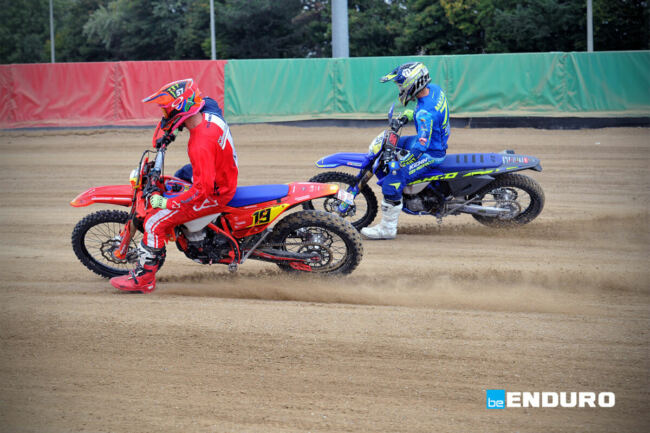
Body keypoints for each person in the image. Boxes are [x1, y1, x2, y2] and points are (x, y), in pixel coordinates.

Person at [110, 78, 239, 293]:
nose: (164, 114)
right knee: (178, 178)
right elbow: (203, 102)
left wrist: (165, 203)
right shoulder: (209, 109)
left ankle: (144, 279)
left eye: (166, 110)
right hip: (223, 168)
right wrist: (171, 132)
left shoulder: (200, 144)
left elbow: (202, 191)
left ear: (179, 108)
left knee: (154, 223)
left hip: (216, 192)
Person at [360, 62, 450, 240]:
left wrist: (401, 163)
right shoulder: (434, 90)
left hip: (430, 153)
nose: (399, 88)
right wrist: (405, 116)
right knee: (392, 143)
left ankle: (387, 229)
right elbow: (420, 113)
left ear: (412, 83)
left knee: (392, 181)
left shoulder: (425, 113)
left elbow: (420, 148)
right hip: (433, 140)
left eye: (401, 84)